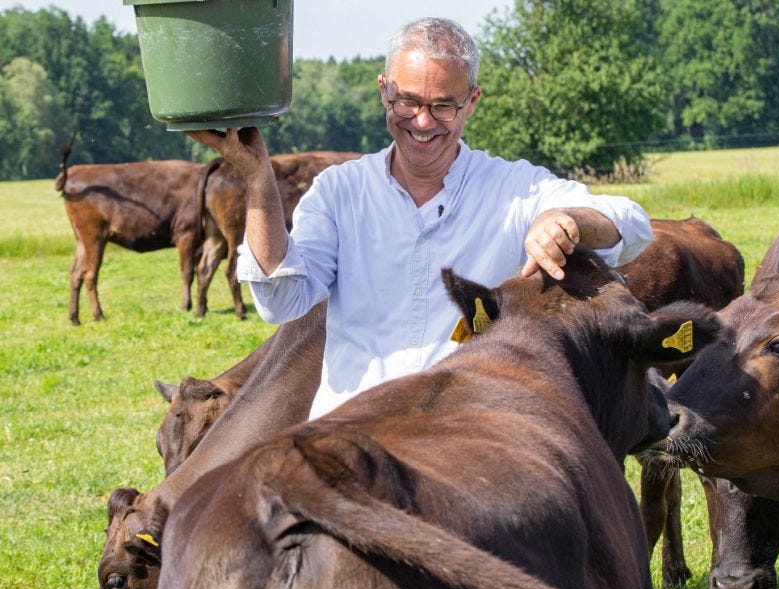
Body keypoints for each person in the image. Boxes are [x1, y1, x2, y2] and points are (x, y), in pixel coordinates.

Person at [188, 17, 652, 420]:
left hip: (462, 437)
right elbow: (281, 300)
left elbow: (630, 223)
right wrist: (257, 178)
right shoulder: (341, 191)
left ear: (471, 102)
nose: (422, 121)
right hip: (350, 431)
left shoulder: (513, 189)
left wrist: (566, 219)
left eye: (442, 106)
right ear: (384, 90)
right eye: (406, 101)